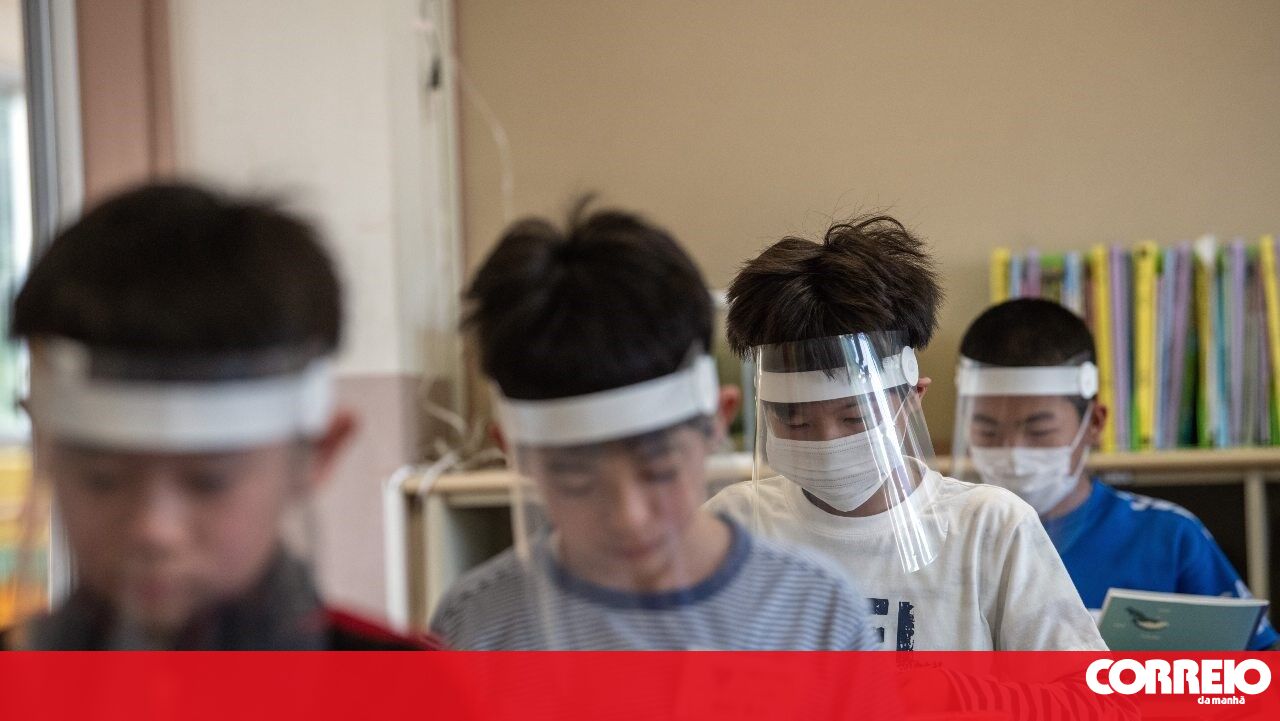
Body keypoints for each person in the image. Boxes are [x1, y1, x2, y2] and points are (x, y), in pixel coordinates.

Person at [2, 182, 434, 650]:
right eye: (102, 478)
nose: (154, 530)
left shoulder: (414, 685)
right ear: (44, 446)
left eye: (209, 481)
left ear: (317, 453)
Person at [430, 201, 872, 650]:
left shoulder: (817, 614)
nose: (630, 517)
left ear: (717, 421)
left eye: (659, 468)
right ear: (513, 451)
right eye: (576, 478)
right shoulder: (475, 626)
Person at [705, 215, 1105, 651]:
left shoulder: (989, 528)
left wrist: (956, 687)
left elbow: (1081, 688)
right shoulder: (730, 526)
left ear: (913, 396)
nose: (827, 442)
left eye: (856, 418)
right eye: (794, 420)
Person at [954, 297, 1277, 651]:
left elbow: (1261, 666)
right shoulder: (946, 540)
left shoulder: (1168, 538)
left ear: (1094, 422)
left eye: (1039, 430)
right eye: (987, 431)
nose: (1013, 453)